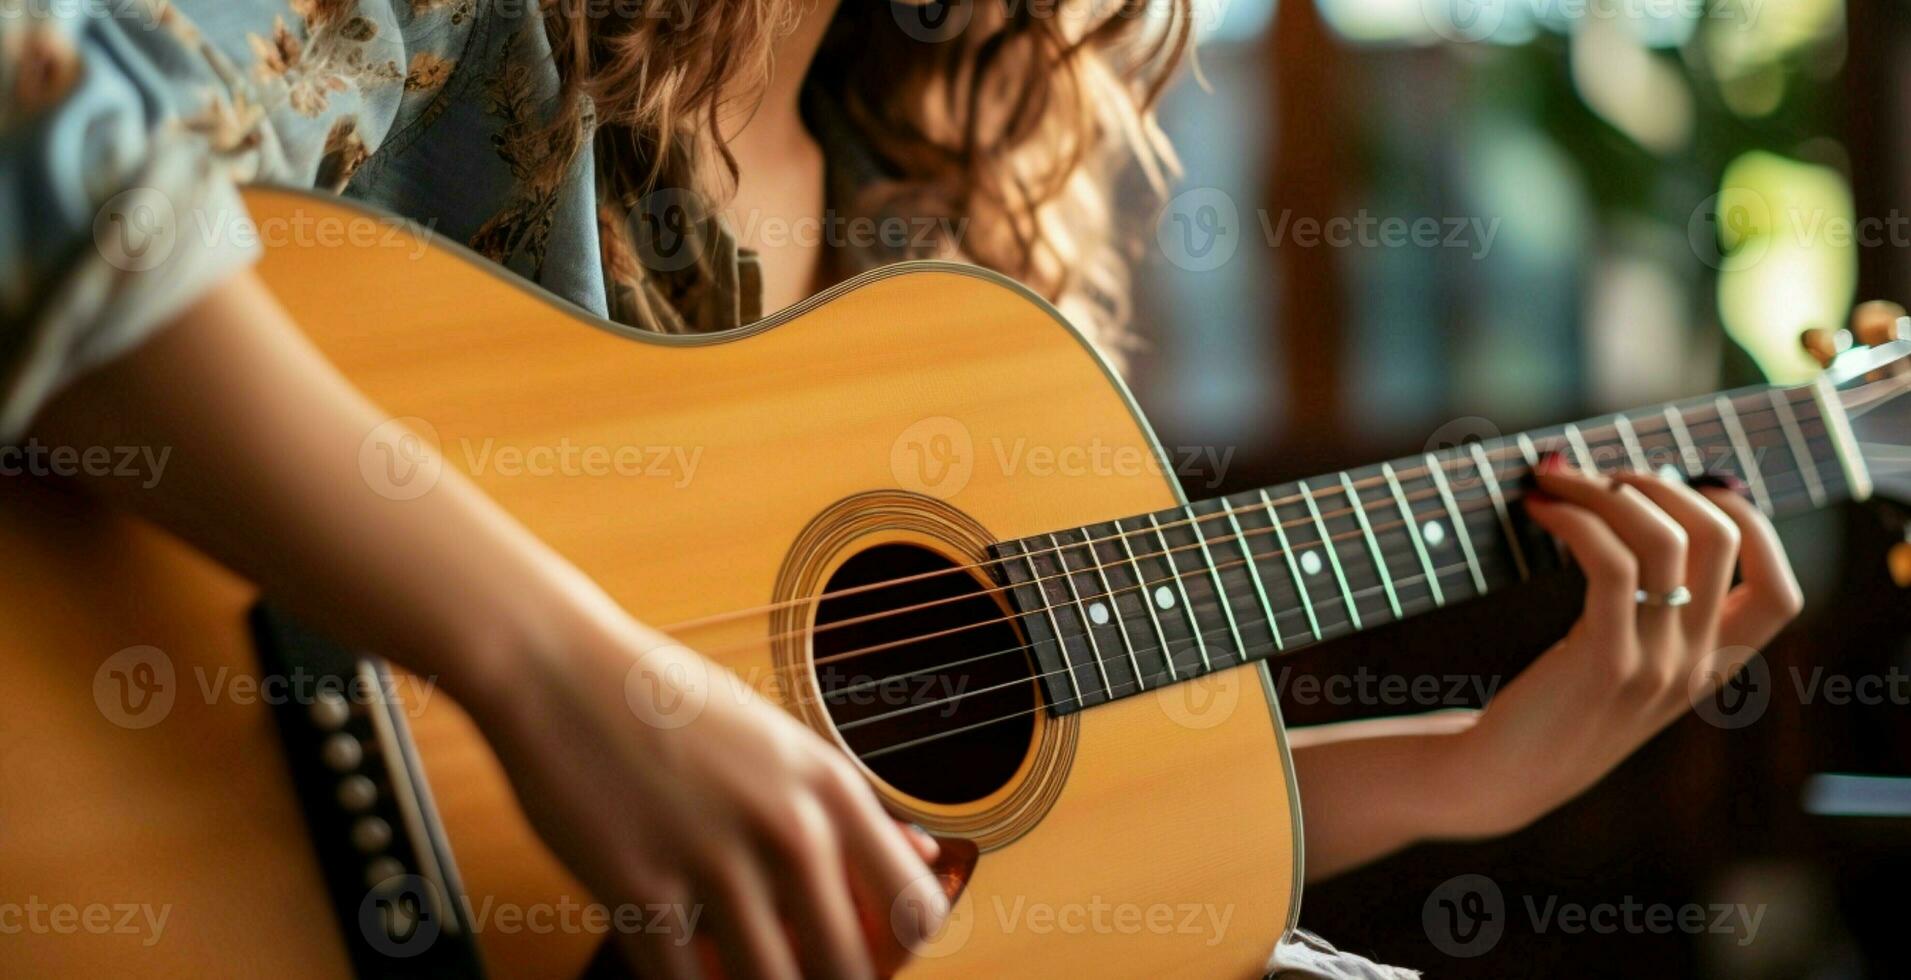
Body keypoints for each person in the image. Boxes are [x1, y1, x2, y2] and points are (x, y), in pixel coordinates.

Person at [0, 2, 1804, 977]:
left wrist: (1465, 771)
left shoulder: (936, 215)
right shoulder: (465, 24)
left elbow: (1002, 860)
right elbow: (33, 127)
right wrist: (558, 682)